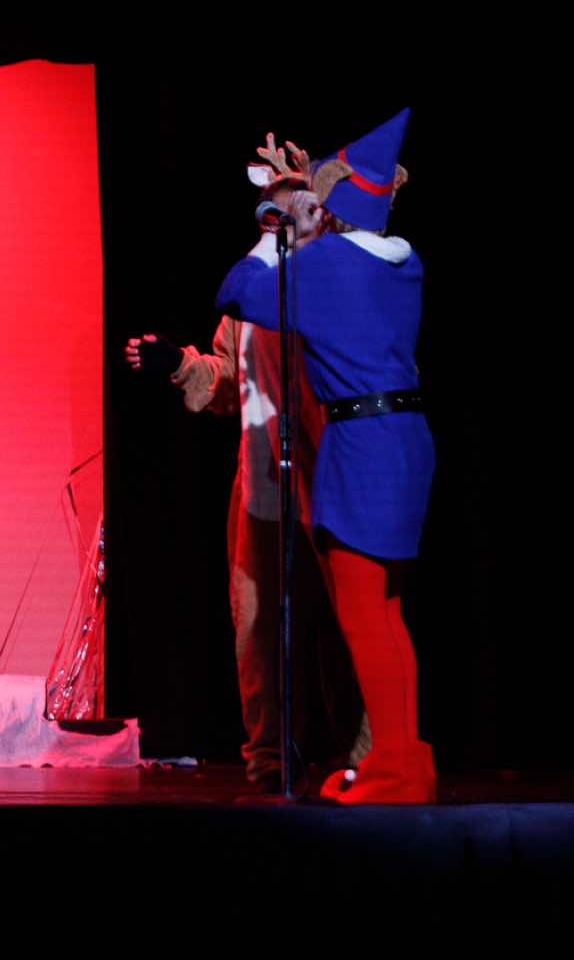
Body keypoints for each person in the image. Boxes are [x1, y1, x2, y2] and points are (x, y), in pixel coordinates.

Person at [124, 154, 367, 793]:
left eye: (292, 203)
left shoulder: (338, 278)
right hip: (261, 480)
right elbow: (229, 376)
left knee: (344, 626)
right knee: (258, 631)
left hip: (331, 481)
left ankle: (362, 761)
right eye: (271, 209)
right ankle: (270, 763)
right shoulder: (252, 290)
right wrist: (181, 364)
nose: (279, 217)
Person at [217, 111, 433, 803]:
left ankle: (395, 769)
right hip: (406, 442)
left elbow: (238, 292)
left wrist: (273, 227)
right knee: (386, 611)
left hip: (361, 447)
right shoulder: (404, 264)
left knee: (365, 614)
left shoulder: (328, 264)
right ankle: (404, 757)